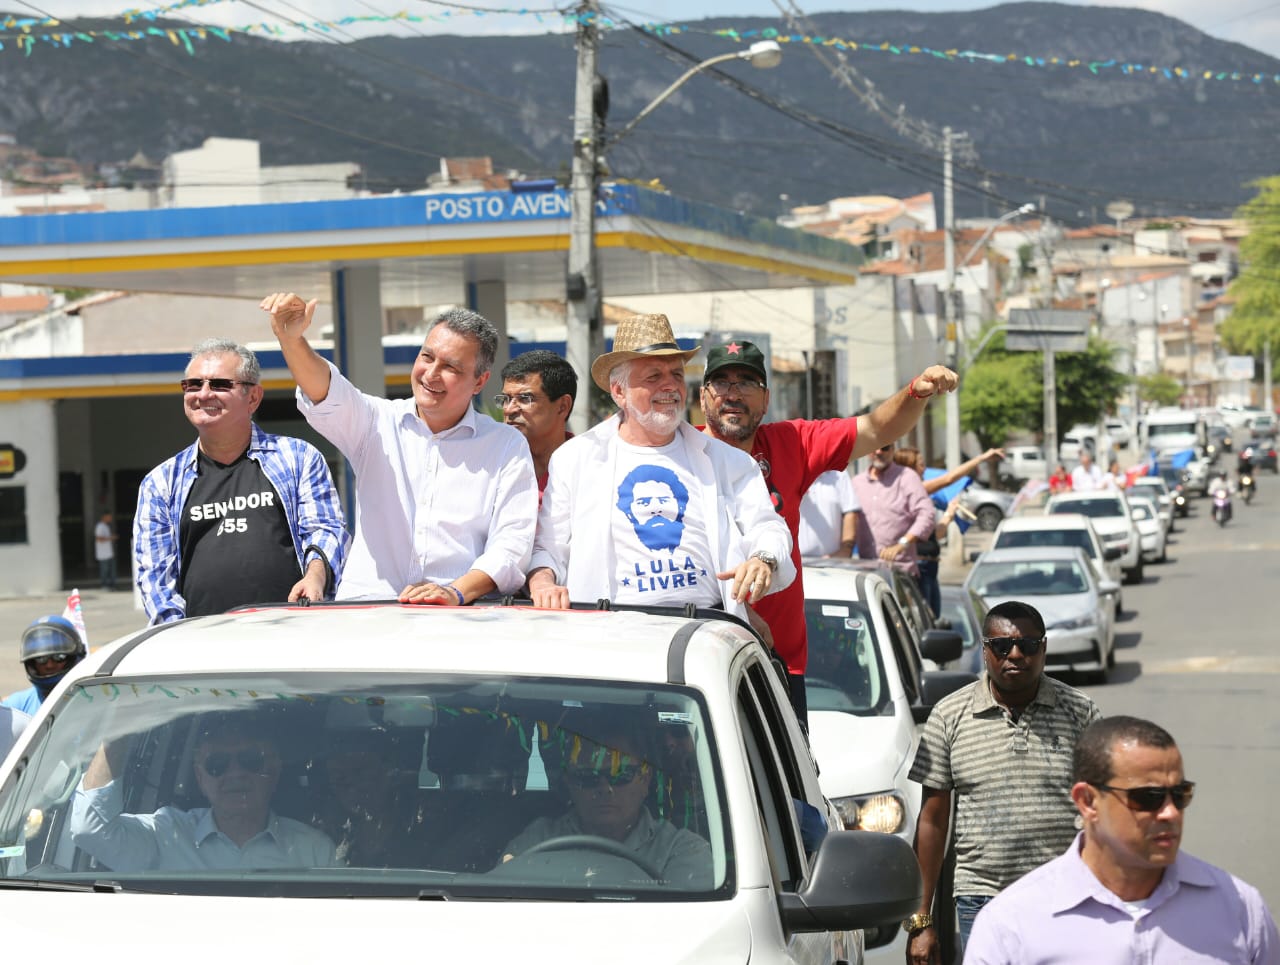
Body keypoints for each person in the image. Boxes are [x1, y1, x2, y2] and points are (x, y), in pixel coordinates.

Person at [698, 337, 957, 721]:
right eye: (721, 382)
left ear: (766, 400)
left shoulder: (791, 443)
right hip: (700, 663)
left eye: (747, 383)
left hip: (779, 664)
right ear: (703, 396)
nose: (733, 394)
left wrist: (915, 393)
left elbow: (875, 429)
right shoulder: (681, 456)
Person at [262, 293, 537, 605]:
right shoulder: (375, 421)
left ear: (479, 382)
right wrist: (292, 340)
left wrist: (455, 592)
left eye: (451, 367)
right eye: (427, 357)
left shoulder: (505, 444)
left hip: (460, 616)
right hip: (369, 610)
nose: (431, 374)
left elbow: (512, 543)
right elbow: (327, 393)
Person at [528, 314, 792, 621]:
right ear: (619, 392)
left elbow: (768, 527)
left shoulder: (727, 460)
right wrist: (542, 581)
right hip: (609, 630)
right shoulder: (576, 458)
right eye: (653, 377)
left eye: (676, 374)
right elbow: (548, 546)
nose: (670, 386)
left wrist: (763, 558)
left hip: (705, 628)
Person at [965, 716, 1280, 964]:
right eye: (1148, 797)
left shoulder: (1239, 908)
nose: (1171, 813)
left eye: (1179, 794)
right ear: (1088, 801)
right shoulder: (1012, 924)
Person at [905, 600, 1102, 962]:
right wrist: (921, 921)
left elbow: (1104, 811)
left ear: (1043, 649)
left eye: (1027, 645)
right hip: (982, 900)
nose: (1015, 655)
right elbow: (932, 821)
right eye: (1001, 646)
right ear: (985, 651)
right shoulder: (949, 716)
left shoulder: (1080, 711)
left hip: (1064, 896)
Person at [133, 338, 349, 625]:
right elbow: (155, 578)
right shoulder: (160, 483)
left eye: (220, 385)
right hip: (201, 643)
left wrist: (315, 576)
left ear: (253, 398)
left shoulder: (298, 458)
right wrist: (178, 635)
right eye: (193, 385)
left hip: (294, 634)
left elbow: (325, 530)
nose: (204, 394)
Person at [71, 714, 337, 871]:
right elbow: (89, 829)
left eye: (250, 760)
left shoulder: (314, 850)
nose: (235, 773)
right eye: (217, 764)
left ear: (274, 770)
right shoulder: (166, 836)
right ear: (200, 778)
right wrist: (119, 729)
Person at [501, 722, 712, 887]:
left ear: (645, 780)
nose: (604, 788)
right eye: (588, 776)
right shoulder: (538, 839)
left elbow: (689, 921)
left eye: (620, 774)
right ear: (570, 783)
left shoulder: (680, 850)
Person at [893, 446, 1003, 617]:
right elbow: (949, 478)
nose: (924, 469)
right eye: (920, 465)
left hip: (931, 567)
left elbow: (935, 534)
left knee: (933, 618)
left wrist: (949, 514)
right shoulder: (912, 490)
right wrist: (981, 458)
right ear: (909, 469)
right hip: (919, 568)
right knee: (924, 619)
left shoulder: (919, 494)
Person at [497, 350, 576, 502]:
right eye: (506, 399)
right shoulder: (489, 466)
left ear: (562, 406)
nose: (509, 409)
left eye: (525, 398)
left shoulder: (590, 469)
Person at [850, 441, 937, 578]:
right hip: (866, 571)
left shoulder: (907, 477)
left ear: (892, 449)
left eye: (884, 447)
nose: (878, 452)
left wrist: (903, 544)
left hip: (900, 572)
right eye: (874, 447)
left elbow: (927, 514)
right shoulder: (856, 482)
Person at [3, 615, 87, 715]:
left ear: (72, 657)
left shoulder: (94, 699)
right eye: (41, 659)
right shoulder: (16, 706)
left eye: (59, 657)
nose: (49, 665)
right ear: (32, 662)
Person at [797, 469, 859, 558]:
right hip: (793, 560)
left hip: (831, 561)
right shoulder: (791, 471)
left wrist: (846, 550)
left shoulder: (839, 472)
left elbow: (850, 511)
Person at [94, 511, 117, 590]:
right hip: (103, 554)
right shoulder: (100, 526)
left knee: (111, 570)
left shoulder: (106, 526)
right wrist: (111, 538)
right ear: (104, 517)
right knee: (105, 570)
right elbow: (99, 538)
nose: (110, 519)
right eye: (109, 517)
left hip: (108, 553)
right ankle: (104, 585)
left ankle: (111, 585)